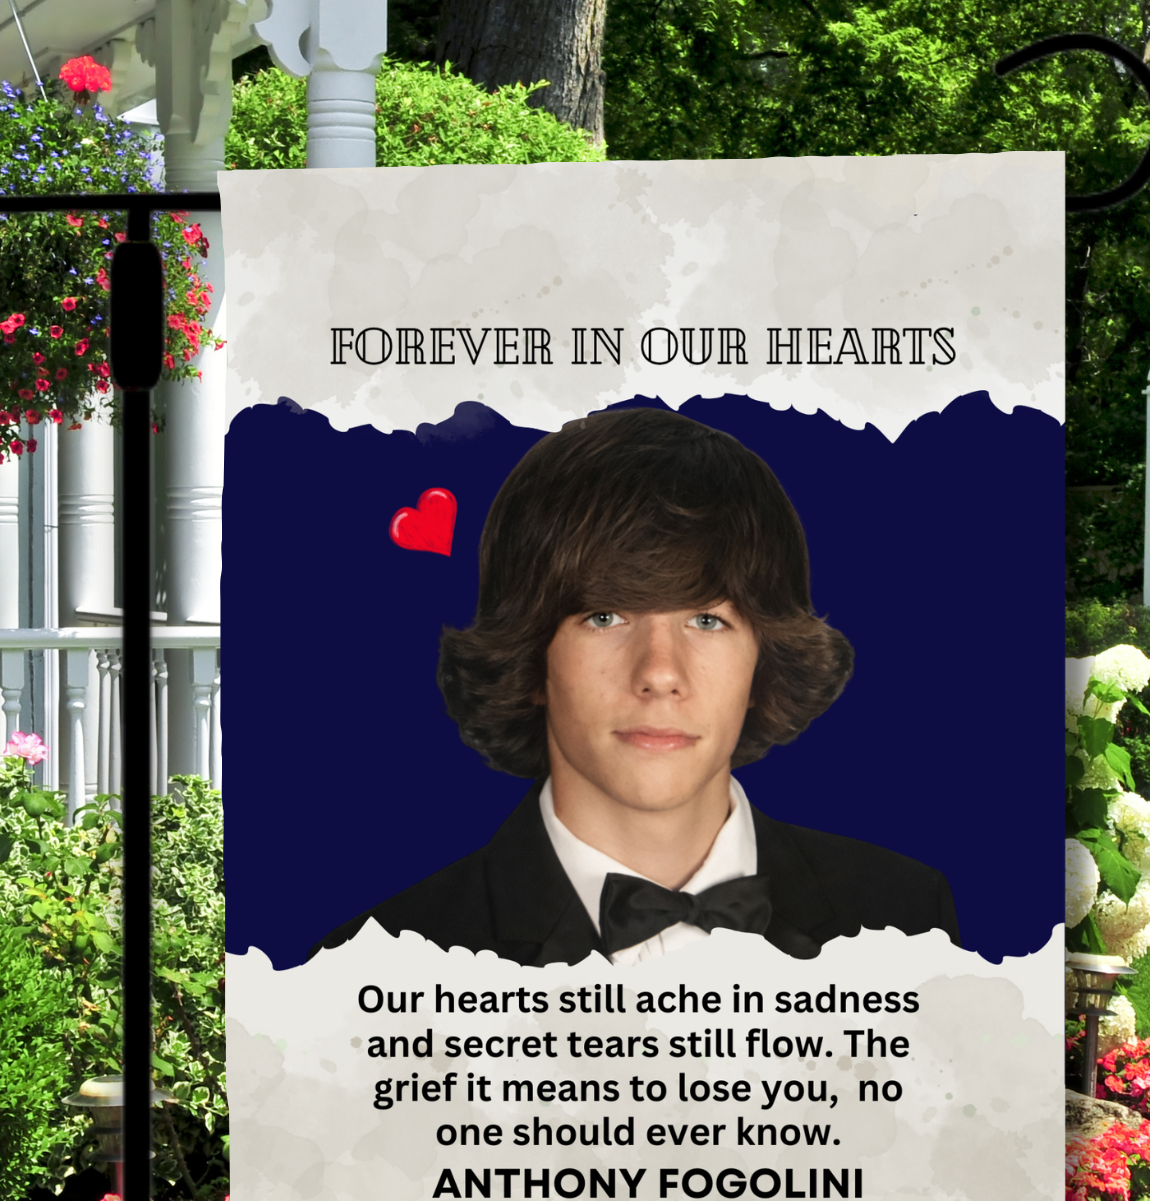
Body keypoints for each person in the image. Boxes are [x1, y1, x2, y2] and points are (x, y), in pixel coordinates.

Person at [318, 408, 957, 965]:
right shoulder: (379, 961)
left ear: (763, 665)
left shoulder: (906, 914)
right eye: (605, 616)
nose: (659, 673)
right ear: (530, 660)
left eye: (707, 620)